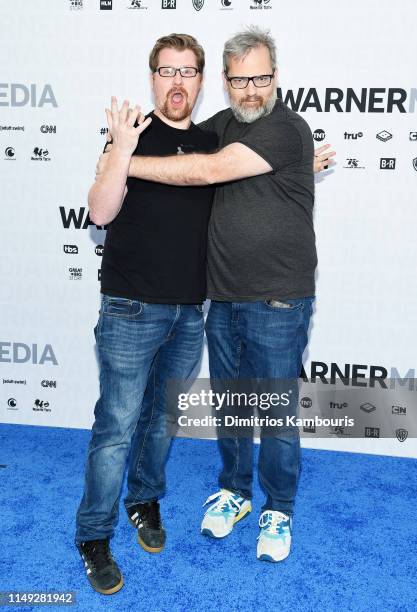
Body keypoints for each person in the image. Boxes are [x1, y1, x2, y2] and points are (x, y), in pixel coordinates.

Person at [98, 25, 333, 566]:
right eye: (240, 80)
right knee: (231, 408)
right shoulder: (219, 125)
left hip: (278, 298)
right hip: (221, 297)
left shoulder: (288, 128)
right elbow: (174, 138)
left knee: (273, 414)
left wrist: (122, 162)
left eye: (260, 78)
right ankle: (235, 491)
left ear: (276, 77)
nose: (251, 90)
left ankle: (279, 506)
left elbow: (204, 170)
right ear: (224, 83)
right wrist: (113, 149)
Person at [74, 33, 218, 595]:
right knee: (115, 428)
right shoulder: (128, 137)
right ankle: (92, 534)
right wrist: (119, 150)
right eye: (166, 71)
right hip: (130, 309)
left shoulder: (211, 143)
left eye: (187, 71)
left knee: (162, 422)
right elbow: (100, 210)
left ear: (200, 81)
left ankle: (143, 501)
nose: (177, 81)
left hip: (189, 313)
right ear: (152, 78)